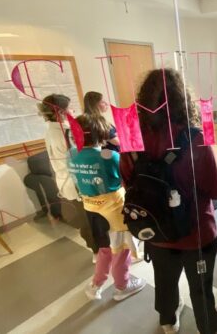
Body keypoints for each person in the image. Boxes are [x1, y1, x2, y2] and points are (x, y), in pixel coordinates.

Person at [120, 68, 217, 334]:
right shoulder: (195, 140)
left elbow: (128, 182)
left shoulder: (131, 138)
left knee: (165, 280)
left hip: (155, 230)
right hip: (197, 233)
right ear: (183, 100)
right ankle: (207, 323)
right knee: (200, 286)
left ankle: (168, 320)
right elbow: (216, 191)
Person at [67, 114, 146, 302]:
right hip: (114, 210)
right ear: (101, 134)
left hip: (90, 208)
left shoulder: (71, 154)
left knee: (104, 248)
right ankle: (122, 286)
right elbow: (129, 177)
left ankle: (96, 285)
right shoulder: (109, 156)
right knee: (121, 251)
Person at [37, 94, 98, 256]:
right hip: (76, 181)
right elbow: (79, 158)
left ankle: (97, 250)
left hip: (66, 180)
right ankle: (98, 252)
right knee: (88, 220)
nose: (73, 110)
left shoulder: (51, 129)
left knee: (86, 218)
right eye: (70, 108)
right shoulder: (65, 132)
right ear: (61, 112)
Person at [23, 151, 63, 222]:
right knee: (42, 188)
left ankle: (56, 215)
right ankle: (51, 213)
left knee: (47, 185)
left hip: (41, 159)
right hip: (36, 160)